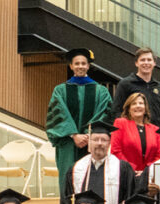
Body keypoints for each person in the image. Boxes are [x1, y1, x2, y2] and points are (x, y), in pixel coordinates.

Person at [46, 48, 112, 190]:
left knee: (92, 179)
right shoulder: (60, 90)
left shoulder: (101, 91)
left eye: (83, 63)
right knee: (68, 180)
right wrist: (74, 135)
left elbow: (105, 113)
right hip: (68, 143)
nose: (80, 66)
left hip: (93, 142)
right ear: (71, 66)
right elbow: (58, 113)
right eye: (77, 63)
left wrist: (89, 135)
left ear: (88, 66)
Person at [60, 121, 135, 204]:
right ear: (89, 142)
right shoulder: (76, 169)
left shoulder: (122, 168)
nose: (99, 143)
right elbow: (67, 203)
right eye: (95, 139)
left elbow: (128, 199)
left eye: (104, 140)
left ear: (109, 143)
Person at [109, 47, 160, 127]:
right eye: (142, 60)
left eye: (149, 60)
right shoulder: (125, 84)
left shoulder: (159, 86)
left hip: (154, 133)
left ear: (154, 63)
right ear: (136, 63)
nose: (146, 63)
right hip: (132, 132)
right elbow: (116, 111)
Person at [110, 93, 160, 173]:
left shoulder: (155, 129)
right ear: (129, 108)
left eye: (141, 103)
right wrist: (131, 169)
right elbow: (115, 150)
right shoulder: (120, 123)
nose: (138, 106)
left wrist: (146, 171)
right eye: (134, 104)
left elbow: (158, 156)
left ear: (145, 108)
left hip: (148, 175)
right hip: (126, 173)